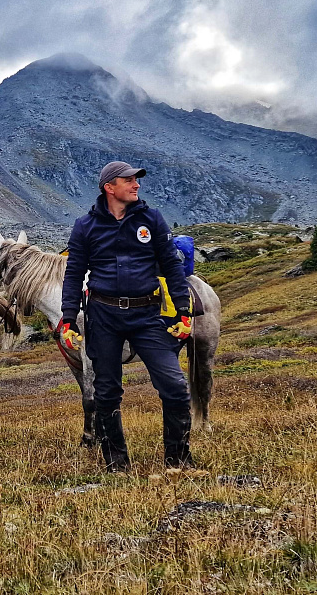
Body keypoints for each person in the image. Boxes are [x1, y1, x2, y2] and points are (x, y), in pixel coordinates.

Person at [59, 161, 194, 472]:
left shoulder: (152, 219)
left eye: (136, 180)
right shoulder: (85, 226)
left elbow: (172, 267)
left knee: (175, 387)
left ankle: (178, 461)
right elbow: (74, 274)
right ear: (109, 187)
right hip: (103, 316)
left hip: (147, 315)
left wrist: (184, 311)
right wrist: (67, 318)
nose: (136, 185)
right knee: (106, 392)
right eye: (129, 180)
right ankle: (116, 465)